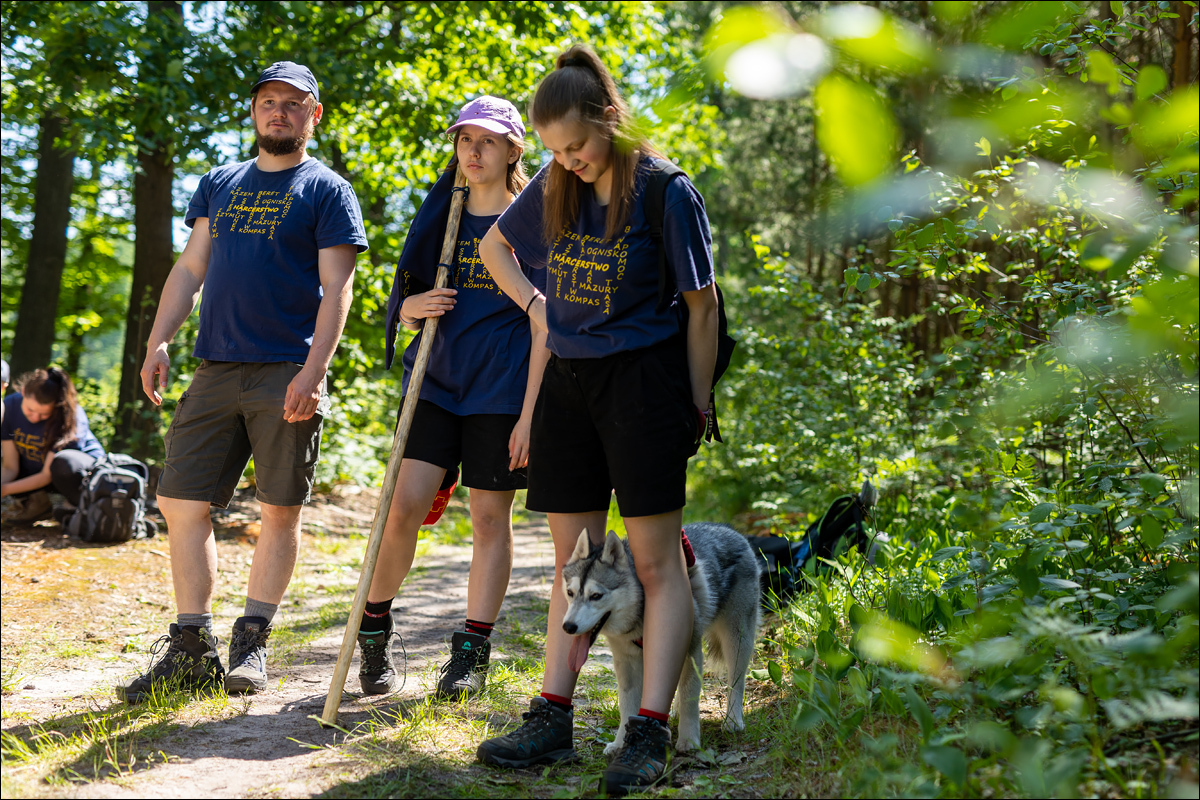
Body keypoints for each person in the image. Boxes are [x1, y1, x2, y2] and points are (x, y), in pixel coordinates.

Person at [473, 45, 719, 794]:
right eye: (554, 151)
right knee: (573, 563)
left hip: (644, 386)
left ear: (609, 119)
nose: (567, 162)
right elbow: (494, 246)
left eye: (576, 145)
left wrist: (698, 405)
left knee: (656, 564)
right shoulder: (555, 184)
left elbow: (703, 308)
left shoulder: (665, 191)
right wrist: (537, 307)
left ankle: (649, 731)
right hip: (569, 387)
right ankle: (553, 718)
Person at [118, 61, 367, 703]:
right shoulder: (220, 183)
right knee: (180, 500)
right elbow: (190, 268)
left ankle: (252, 640)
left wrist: (314, 372)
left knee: (279, 509)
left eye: (292, 103)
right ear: (254, 112)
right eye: (267, 102)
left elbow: (338, 288)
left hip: (286, 370)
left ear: (314, 114)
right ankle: (192, 645)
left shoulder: (327, 190)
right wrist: (158, 340)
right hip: (215, 366)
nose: (278, 111)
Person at [363, 96, 548, 699]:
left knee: (491, 519)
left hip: (501, 391)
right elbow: (406, 296)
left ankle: (471, 653)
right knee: (402, 507)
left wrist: (529, 414)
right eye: (465, 139)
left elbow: (547, 324)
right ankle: (373, 631)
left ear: (514, 151)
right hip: (435, 385)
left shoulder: (533, 224)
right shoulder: (441, 213)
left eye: (488, 141)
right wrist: (409, 308)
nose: (473, 150)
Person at [1, 367, 106, 523]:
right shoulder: (9, 406)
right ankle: (38, 505)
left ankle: (79, 508)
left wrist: (4, 490)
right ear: (23, 392)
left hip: (76, 473)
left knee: (63, 463)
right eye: (30, 410)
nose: (35, 418)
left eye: (44, 414)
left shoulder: (70, 417)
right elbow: (10, 467)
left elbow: (46, 475)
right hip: (39, 470)